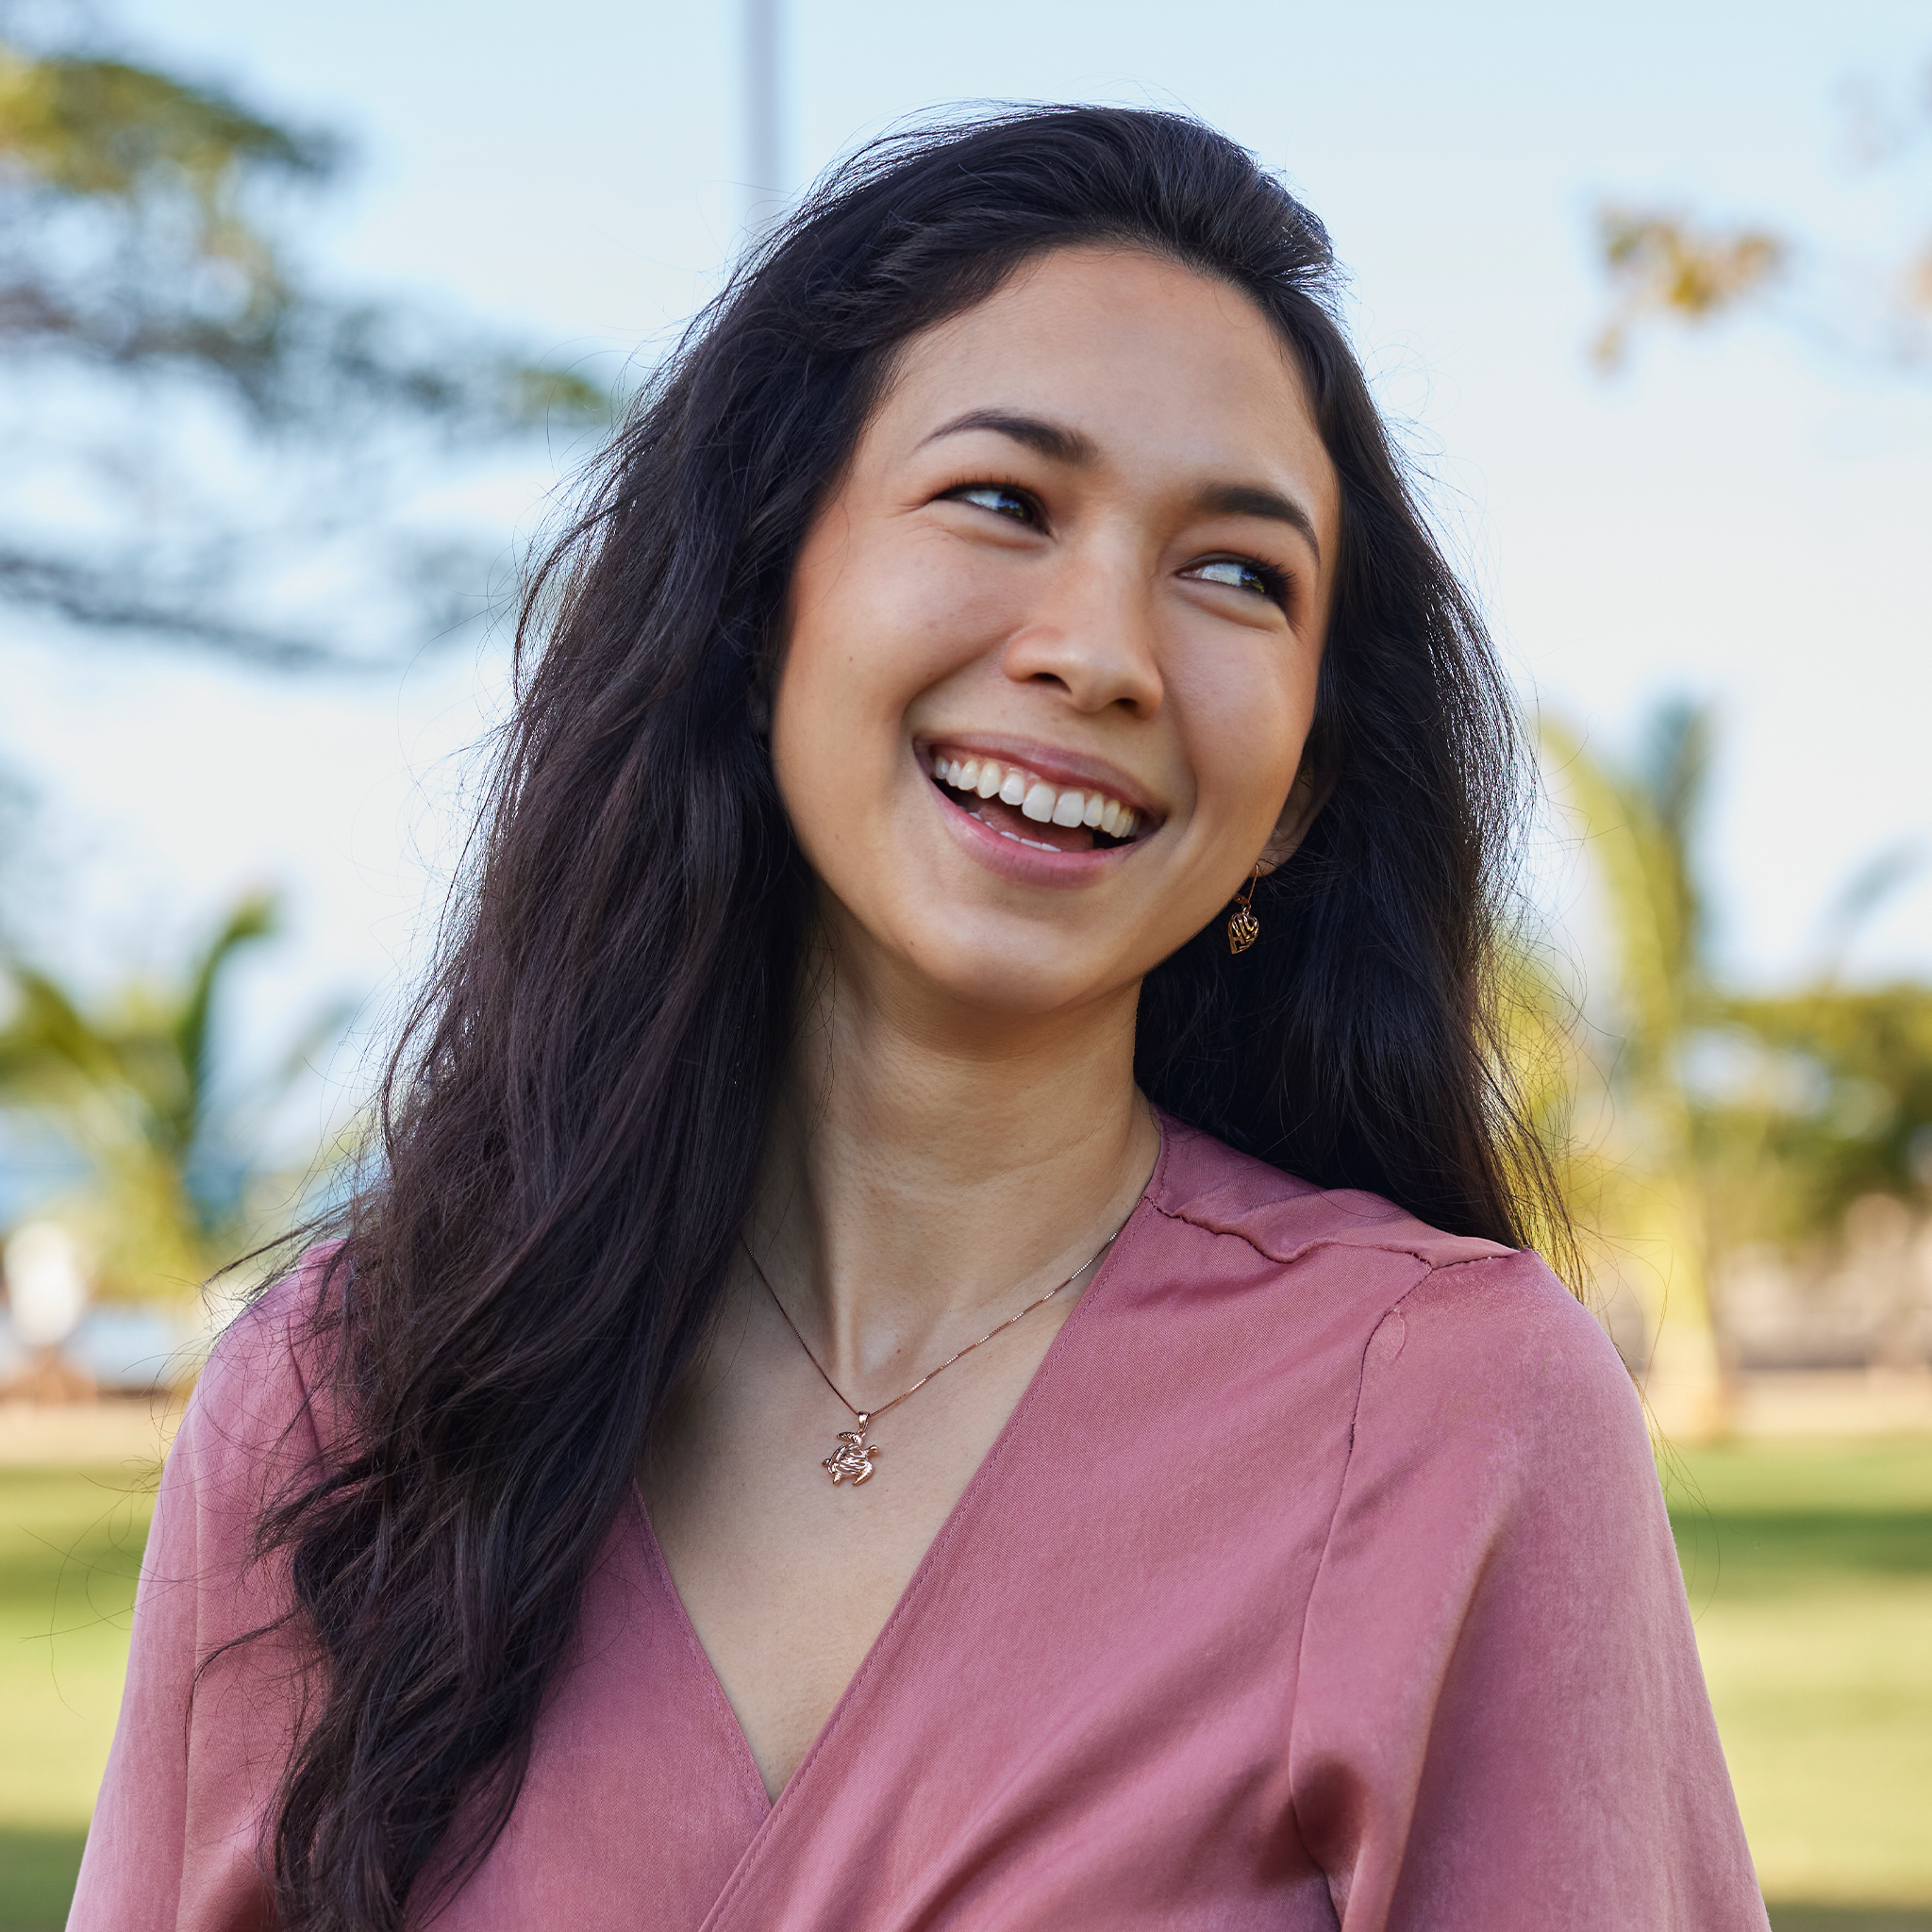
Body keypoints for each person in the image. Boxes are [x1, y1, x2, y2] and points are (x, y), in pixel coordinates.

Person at [71, 107, 1769, 1932]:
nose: (1102, 649)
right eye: (1003, 500)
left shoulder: (1453, 1411)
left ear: (1295, 789)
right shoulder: (339, 1403)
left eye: (1235, 572)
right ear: (758, 601)